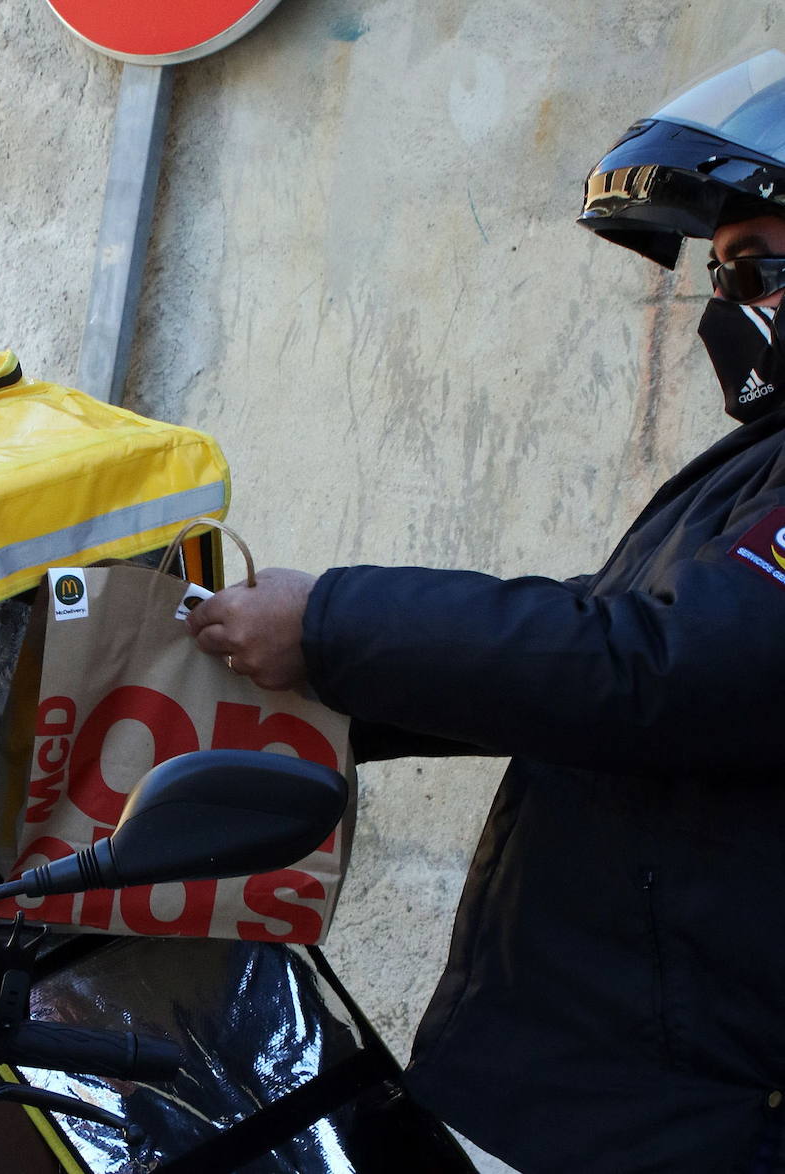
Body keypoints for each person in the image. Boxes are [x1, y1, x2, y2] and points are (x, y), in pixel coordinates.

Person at [187, 50, 785, 1174]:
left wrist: (333, 623)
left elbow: (659, 667)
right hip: (601, 1085)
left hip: (680, 1114)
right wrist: (326, 686)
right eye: (717, 274)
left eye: (756, 268)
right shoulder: (756, 464)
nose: (727, 304)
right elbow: (598, 634)